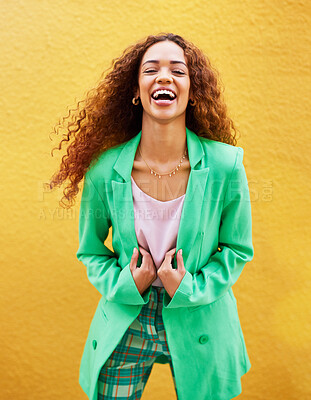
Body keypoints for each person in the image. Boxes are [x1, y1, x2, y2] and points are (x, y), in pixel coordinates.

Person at [49, 32, 254, 400]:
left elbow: (237, 249)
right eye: (151, 70)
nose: (164, 77)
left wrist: (187, 287)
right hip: (129, 314)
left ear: (193, 92)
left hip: (199, 313)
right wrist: (129, 282)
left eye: (178, 70)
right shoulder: (104, 170)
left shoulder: (226, 165)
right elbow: (91, 251)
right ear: (136, 89)